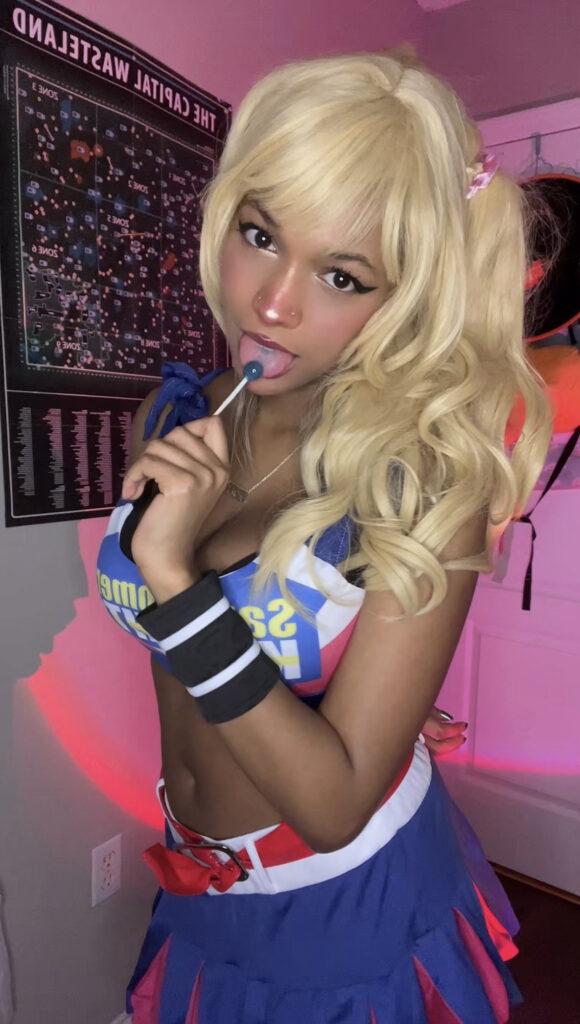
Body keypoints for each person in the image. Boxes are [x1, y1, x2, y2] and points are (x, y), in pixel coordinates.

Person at [97, 47, 550, 1023]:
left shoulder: (425, 476)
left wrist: (175, 583)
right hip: (198, 879)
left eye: (343, 275)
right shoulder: (172, 414)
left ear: (406, 299)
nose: (272, 302)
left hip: (345, 901)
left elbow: (335, 802)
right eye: (261, 233)